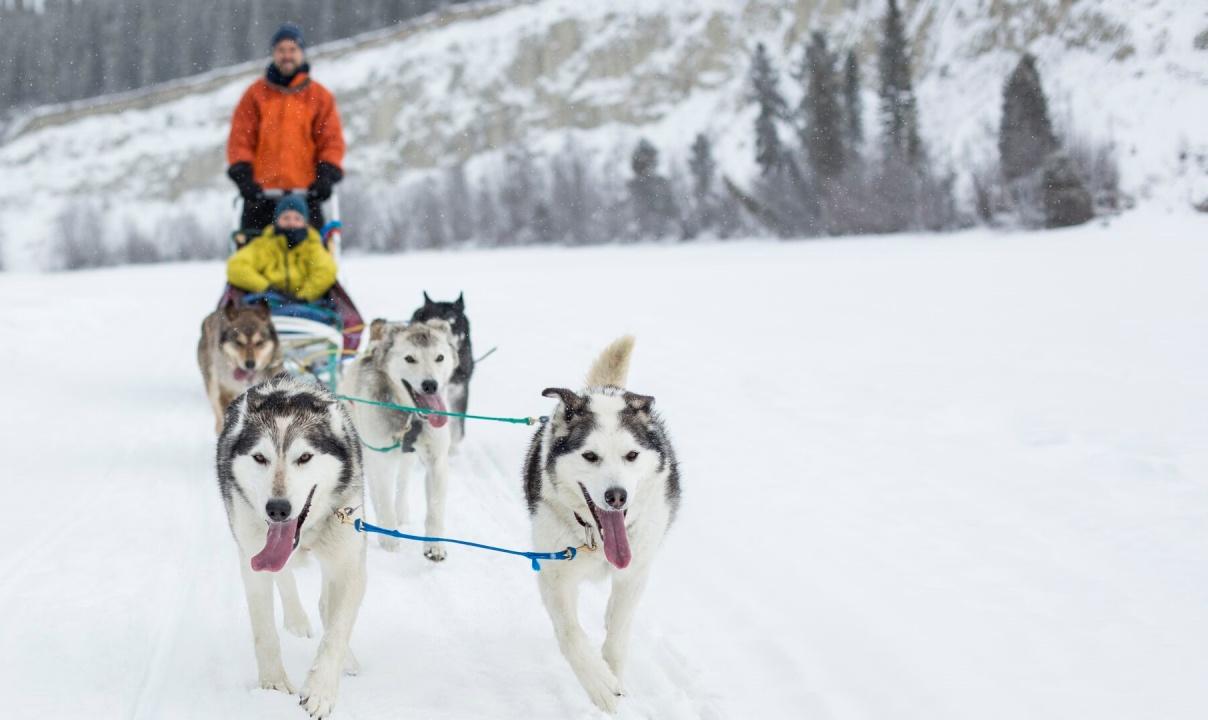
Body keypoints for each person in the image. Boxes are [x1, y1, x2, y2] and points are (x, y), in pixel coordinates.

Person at [227, 22, 345, 231]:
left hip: (306, 195)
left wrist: (326, 174)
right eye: (281, 50)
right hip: (260, 196)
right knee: (253, 258)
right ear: (273, 54)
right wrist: (243, 175)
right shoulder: (255, 95)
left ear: (302, 53)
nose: (287, 55)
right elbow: (241, 138)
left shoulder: (319, 96)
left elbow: (331, 140)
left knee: (312, 258)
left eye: (292, 50)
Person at [227, 194, 337, 303]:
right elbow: (236, 267)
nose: (291, 223)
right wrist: (267, 288)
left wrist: (303, 296)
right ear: (276, 221)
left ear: (305, 223)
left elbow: (325, 271)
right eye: (286, 218)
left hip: (306, 303)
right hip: (266, 302)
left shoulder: (313, 246)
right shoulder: (263, 245)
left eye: (297, 218)